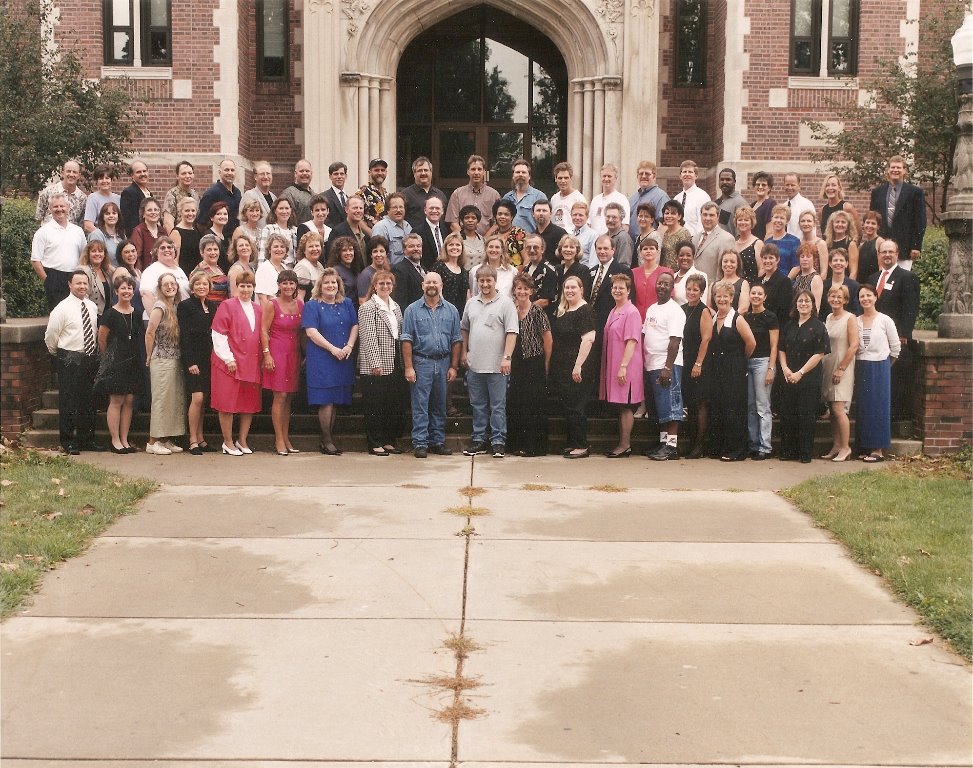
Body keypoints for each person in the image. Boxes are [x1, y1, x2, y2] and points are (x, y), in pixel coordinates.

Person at [401, 271, 462, 458]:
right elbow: (406, 340)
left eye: (435, 282)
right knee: (420, 404)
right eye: (428, 282)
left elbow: (456, 340)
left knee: (439, 405)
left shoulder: (451, 310)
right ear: (422, 285)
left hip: (443, 362)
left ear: (441, 285)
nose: (432, 285)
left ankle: (437, 441)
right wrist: (409, 367)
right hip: (421, 362)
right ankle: (420, 442)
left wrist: (453, 366)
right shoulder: (412, 310)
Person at [460, 265, 518, 457]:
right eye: (481, 281)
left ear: (495, 281)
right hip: (475, 364)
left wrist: (506, 357)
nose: (485, 284)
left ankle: (498, 441)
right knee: (478, 405)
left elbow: (512, 332)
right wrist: (464, 353)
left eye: (488, 280)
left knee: (497, 405)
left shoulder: (506, 303)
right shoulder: (471, 303)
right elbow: (465, 329)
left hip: (497, 366)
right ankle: (479, 440)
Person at [44, 270, 102, 454]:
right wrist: (60, 354)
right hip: (69, 357)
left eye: (85, 283)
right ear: (69, 284)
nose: (82, 287)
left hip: (89, 358)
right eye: (78, 283)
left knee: (88, 401)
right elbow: (51, 336)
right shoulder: (61, 309)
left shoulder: (92, 306)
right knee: (69, 402)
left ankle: (87, 440)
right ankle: (68, 441)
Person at [303, 268, 358, 454]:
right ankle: (326, 440)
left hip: (343, 357)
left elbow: (354, 325)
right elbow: (311, 332)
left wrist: (349, 346)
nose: (330, 285)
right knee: (325, 400)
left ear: (339, 285)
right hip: (322, 358)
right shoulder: (312, 305)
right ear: (320, 285)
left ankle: (327, 439)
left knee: (334, 399)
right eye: (326, 282)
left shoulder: (347, 303)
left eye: (333, 282)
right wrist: (332, 349)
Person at [210, 270, 263, 455]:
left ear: (254, 288)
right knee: (227, 403)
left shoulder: (258, 309)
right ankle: (227, 442)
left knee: (248, 404)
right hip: (230, 363)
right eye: (242, 286)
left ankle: (242, 440)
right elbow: (218, 334)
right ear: (236, 287)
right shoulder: (227, 305)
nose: (246, 289)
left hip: (250, 363)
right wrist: (228, 358)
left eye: (249, 286)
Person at [357, 270, 407, 455]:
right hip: (376, 365)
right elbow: (369, 337)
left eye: (388, 284)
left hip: (395, 360)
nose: (385, 287)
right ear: (374, 287)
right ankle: (374, 442)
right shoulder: (368, 308)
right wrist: (375, 363)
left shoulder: (396, 307)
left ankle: (387, 440)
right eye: (381, 284)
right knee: (375, 405)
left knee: (390, 404)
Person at [868, 239, 919, 420]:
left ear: (897, 254)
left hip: (896, 339)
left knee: (896, 381)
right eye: (884, 252)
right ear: (879, 255)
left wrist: (904, 334)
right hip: (875, 339)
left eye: (891, 252)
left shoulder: (907, 277)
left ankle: (895, 422)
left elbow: (911, 308)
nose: (887, 255)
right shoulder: (873, 279)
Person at [778, 289, 830, 463]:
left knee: (806, 415)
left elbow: (819, 353)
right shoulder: (789, 325)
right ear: (796, 304)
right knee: (788, 414)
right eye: (800, 301)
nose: (803, 304)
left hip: (808, 378)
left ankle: (804, 453)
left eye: (807, 301)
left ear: (813, 305)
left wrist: (800, 373)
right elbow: (781, 348)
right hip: (788, 376)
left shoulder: (818, 326)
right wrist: (785, 368)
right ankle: (788, 451)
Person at [94, 273, 144, 453]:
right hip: (116, 361)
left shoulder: (137, 314)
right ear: (116, 291)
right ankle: (115, 440)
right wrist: (109, 359)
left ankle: (125, 439)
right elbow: (102, 339)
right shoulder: (110, 314)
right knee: (116, 399)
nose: (127, 291)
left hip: (133, 360)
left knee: (129, 400)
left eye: (130, 288)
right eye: (123, 288)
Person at [708, 279, 757, 461]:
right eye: (718, 296)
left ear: (731, 298)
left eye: (725, 296)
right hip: (717, 368)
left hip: (735, 369)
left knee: (733, 408)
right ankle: (720, 447)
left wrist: (739, 360)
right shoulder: (713, 318)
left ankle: (736, 450)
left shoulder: (738, 319)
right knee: (719, 406)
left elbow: (751, 343)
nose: (721, 299)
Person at [550, 276, 597, 458]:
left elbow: (589, 339)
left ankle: (582, 445)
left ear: (581, 289)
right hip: (562, 367)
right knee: (569, 406)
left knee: (577, 406)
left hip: (577, 368)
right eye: (566, 287)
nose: (570, 291)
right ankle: (572, 442)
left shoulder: (585, 310)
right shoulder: (564, 310)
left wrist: (578, 366)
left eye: (573, 287)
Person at [854, 283, 902, 462]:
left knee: (879, 406)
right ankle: (865, 446)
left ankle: (878, 449)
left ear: (875, 297)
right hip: (861, 366)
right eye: (862, 296)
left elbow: (895, 347)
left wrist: (885, 365)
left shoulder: (884, 320)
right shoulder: (856, 320)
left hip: (880, 366)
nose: (865, 299)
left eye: (869, 295)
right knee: (864, 407)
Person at [599, 273, 644, 458]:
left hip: (626, 365)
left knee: (626, 405)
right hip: (614, 364)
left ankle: (625, 445)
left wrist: (623, 366)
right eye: (615, 287)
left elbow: (632, 341)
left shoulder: (632, 312)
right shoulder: (614, 310)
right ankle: (622, 443)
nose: (617, 290)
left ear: (628, 290)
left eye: (621, 288)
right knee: (620, 405)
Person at [642, 271, 685, 461]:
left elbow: (674, 341)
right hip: (651, 364)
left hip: (668, 364)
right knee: (660, 407)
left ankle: (672, 447)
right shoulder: (652, 309)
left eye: (666, 284)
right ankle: (663, 444)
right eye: (660, 283)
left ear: (672, 288)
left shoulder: (675, 310)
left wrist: (667, 368)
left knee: (671, 405)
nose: (662, 287)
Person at [507, 273, 552, 456]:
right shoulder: (511, 311)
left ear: (531, 291)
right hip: (517, 362)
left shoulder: (537, 311)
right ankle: (517, 445)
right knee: (517, 403)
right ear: (514, 291)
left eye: (526, 288)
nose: (522, 292)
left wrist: (546, 364)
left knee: (534, 404)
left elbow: (547, 339)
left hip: (534, 362)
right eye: (519, 288)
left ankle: (534, 447)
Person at [261, 269, 304, 455]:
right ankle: (278, 439)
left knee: (289, 398)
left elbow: (303, 332)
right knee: (280, 396)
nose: (288, 286)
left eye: (291, 283)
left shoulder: (301, 304)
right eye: (284, 283)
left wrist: (305, 354)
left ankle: (286, 438)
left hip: (294, 353)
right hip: (277, 352)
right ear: (279, 285)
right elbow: (263, 330)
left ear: (296, 285)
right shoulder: (272, 304)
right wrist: (267, 354)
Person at [144, 272, 186, 455]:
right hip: (161, 358)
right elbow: (150, 332)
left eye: (173, 283)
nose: (170, 287)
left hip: (175, 358)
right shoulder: (159, 306)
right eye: (166, 284)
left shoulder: (175, 306)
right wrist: (148, 355)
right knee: (161, 400)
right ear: (160, 288)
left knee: (172, 400)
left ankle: (165, 438)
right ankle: (152, 442)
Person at [177, 270, 218, 455]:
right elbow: (184, 335)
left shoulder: (212, 305)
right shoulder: (185, 306)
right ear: (192, 287)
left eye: (205, 284)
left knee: (204, 400)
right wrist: (190, 361)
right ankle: (192, 439)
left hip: (208, 356)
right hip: (193, 357)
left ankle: (201, 438)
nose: (202, 287)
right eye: (198, 284)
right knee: (197, 398)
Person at [821, 284, 859, 462]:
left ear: (845, 300)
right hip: (828, 365)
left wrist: (841, 368)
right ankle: (836, 445)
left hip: (841, 367)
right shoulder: (828, 317)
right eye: (832, 296)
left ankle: (846, 447)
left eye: (839, 297)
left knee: (839, 408)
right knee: (832, 409)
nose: (835, 300)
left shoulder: (850, 318)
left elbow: (854, 346)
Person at [869, 155, 926, 267]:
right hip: (881, 245)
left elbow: (920, 221)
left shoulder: (915, 193)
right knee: (882, 280)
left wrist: (916, 246)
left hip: (905, 247)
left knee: (902, 281)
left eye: (899, 168)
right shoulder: (877, 192)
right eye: (893, 167)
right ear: (888, 170)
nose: (895, 170)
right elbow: (873, 218)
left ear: (904, 170)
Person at [32, 193, 87, 309]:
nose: (59, 209)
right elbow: (36, 260)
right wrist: (48, 281)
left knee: (77, 313)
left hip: (75, 276)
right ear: (50, 209)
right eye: (55, 207)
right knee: (58, 315)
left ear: (68, 207)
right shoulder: (43, 232)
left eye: (62, 206)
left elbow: (84, 255)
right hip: (54, 277)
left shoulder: (78, 231)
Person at [743, 284, 779, 460]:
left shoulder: (770, 317)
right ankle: (753, 444)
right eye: (753, 293)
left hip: (763, 362)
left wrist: (771, 368)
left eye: (759, 294)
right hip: (748, 362)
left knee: (762, 405)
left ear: (765, 297)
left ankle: (765, 446)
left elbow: (774, 346)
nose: (756, 296)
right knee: (750, 406)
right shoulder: (746, 317)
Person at [680, 274, 713, 458]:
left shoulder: (704, 311)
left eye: (695, 290)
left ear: (701, 292)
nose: (691, 292)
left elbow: (706, 338)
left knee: (700, 404)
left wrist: (698, 363)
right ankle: (692, 443)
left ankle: (699, 446)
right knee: (691, 404)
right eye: (689, 289)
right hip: (685, 361)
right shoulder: (682, 309)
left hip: (699, 362)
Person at [446, 154, 500, 234]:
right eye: (473, 169)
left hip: (487, 243)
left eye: (479, 169)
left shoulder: (494, 195)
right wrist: (465, 240)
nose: (476, 172)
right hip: (463, 243)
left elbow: (497, 223)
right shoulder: (457, 194)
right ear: (468, 171)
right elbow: (453, 223)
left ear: (484, 172)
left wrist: (484, 240)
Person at [140, 237, 190, 316]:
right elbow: (146, 295)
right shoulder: (151, 270)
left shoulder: (179, 270)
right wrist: (156, 320)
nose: (167, 250)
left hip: (182, 316)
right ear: (156, 252)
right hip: (164, 318)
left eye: (170, 247)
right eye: (162, 248)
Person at [400, 156, 448, 230]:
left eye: (426, 170)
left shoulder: (440, 195)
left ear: (431, 172)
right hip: (414, 239)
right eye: (419, 170)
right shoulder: (405, 195)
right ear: (414, 173)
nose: (423, 173)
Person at [693, 202, 736, 283]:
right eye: (705, 215)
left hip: (712, 288)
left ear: (718, 217)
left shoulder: (726, 239)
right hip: (693, 289)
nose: (707, 218)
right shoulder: (694, 238)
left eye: (711, 215)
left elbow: (725, 271)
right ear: (701, 216)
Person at [36, 159, 87, 226]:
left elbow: (81, 224)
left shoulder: (82, 198)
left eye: (74, 172)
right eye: (68, 171)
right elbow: (39, 218)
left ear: (79, 176)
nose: (71, 175)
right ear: (62, 173)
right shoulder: (48, 192)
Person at [198, 158, 241, 233]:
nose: (230, 173)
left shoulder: (237, 193)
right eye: (226, 170)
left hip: (234, 239)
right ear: (219, 172)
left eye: (232, 170)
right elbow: (201, 223)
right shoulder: (211, 194)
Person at [521, 233, 558, 319]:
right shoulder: (525, 269)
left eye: (536, 247)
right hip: (527, 317)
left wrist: (524, 311)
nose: (532, 250)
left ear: (542, 249)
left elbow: (545, 301)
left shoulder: (549, 270)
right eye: (529, 247)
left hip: (542, 319)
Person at [628, 160, 669, 236]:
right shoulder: (632, 198)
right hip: (632, 245)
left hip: (649, 245)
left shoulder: (661, 197)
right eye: (641, 174)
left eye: (647, 174)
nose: (643, 176)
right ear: (637, 176)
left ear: (654, 177)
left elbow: (663, 226)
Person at [502, 158, 544, 232]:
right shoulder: (507, 198)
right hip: (509, 240)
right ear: (513, 176)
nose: (520, 174)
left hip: (531, 241)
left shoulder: (539, 197)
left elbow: (545, 223)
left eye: (523, 172)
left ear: (529, 176)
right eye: (517, 172)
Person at [754, 243, 793, 322]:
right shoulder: (758, 281)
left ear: (777, 259)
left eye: (771, 258)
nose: (767, 261)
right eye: (765, 258)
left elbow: (783, 312)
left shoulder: (784, 282)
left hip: (774, 326)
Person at [588, 163, 630, 235]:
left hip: (611, 243)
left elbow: (625, 226)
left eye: (609, 176)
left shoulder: (622, 199)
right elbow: (590, 224)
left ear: (615, 178)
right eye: (604, 176)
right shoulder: (595, 200)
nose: (606, 179)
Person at [76, 240, 114, 320]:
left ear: (104, 254)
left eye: (100, 251)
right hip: (90, 316)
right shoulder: (83, 270)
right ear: (88, 254)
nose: (97, 254)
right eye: (93, 251)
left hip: (106, 317)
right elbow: (82, 297)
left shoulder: (106, 272)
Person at [820, 248, 860, 320]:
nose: (838, 263)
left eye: (841, 260)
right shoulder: (823, 285)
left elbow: (856, 311)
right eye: (835, 260)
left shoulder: (855, 286)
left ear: (846, 264)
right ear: (830, 264)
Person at [631, 238, 666, 321]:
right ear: (640, 253)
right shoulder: (633, 272)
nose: (648, 251)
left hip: (657, 318)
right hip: (636, 317)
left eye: (652, 248)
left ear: (657, 252)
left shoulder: (666, 273)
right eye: (645, 249)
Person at [673, 160, 710, 237]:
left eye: (690, 172)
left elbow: (702, 223)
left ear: (696, 176)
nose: (687, 174)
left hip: (694, 241)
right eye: (684, 172)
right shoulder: (676, 199)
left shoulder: (702, 197)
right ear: (680, 176)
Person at [371, 192, 411, 264]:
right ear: (387, 210)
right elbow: (379, 257)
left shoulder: (408, 226)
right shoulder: (381, 228)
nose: (398, 210)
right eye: (394, 207)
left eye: (401, 207)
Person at [130, 198, 167, 271]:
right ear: (143, 214)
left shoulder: (163, 231)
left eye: (156, 210)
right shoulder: (139, 231)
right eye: (149, 210)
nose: (153, 212)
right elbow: (137, 257)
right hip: (146, 273)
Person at [326, 235, 366, 305]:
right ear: (338, 253)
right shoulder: (335, 271)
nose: (348, 253)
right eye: (344, 250)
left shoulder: (356, 270)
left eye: (350, 250)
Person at [161, 160, 200, 232]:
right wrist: (173, 240)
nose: (187, 176)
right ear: (177, 176)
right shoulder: (172, 194)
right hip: (178, 236)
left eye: (190, 173)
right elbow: (168, 223)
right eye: (183, 173)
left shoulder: (195, 195)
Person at [259, 197, 298, 266]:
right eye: (281, 208)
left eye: (287, 208)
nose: (284, 211)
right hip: (275, 268)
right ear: (275, 211)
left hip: (293, 270)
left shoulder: (295, 231)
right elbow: (262, 254)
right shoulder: (268, 229)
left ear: (291, 210)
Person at [788, 242, 825, 316]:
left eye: (808, 256)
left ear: (814, 259)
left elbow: (816, 307)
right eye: (802, 256)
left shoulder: (816, 278)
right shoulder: (798, 276)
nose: (805, 259)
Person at [83, 165, 121, 235]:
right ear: (97, 181)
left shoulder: (118, 198)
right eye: (101, 178)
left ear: (111, 180)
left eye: (107, 178)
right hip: (99, 239)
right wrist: (105, 237)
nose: (104, 181)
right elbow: (88, 225)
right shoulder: (93, 198)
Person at [555, 235, 592, 305]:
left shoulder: (583, 270)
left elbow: (585, 295)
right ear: (560, 249)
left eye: (572, 247)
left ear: (577, 251)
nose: (568, 250)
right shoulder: (557, 269)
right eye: (565, 246)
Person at [415, 196, 450, 270]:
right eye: (431, 208)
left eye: (437, 208)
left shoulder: (447, 229)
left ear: (442, 211)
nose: (434, 211)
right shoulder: (417, 232)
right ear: (425, 210)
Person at [765, 203, 801, 275]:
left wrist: (785, 281)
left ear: (787, 221)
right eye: (776, 217)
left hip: (787, 283)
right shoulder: (767, 242)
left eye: (782, 218)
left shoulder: (794, 241)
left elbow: (797, 266)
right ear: (772, 219)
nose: (778, 220)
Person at [392, 233, 427, 308]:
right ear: (404, 250)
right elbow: (400, 300)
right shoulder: (399, 270)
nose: (416, 249)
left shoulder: (424, 268)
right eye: (411, 246)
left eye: (418, 246)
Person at [193, 234, 230, 304]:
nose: (213, 253)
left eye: (215, 249)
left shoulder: (219, 269)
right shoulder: (200, 270)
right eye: (209, 250)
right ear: (202, 252)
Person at [710, 249, 750, 313]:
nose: (728, 264)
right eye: (725, 261)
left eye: (732, 262)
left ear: (737, 264)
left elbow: (744, 308)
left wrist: (729, 319)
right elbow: (708, 307)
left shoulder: (743, 283)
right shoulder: (713, 285)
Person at [491, 199, 526, 269]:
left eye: (506, 214)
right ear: (496, 216)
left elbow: (527, 258)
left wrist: (520, 276)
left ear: (512, 217)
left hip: (516, 275)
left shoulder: (519, 233)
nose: (502, 217)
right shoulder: (493, 235)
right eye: (500, 214)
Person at [672, 240, 710, 306]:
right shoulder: (672, 276)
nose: (685, 258)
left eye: (688, 255)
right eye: (681, 255)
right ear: (676, 257)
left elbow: (702, 304)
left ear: (693, 257)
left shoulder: (701, 276)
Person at [239, 160, 275, 229]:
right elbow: (243, 222)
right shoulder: (249, 195)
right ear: (255, 177)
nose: (266, 177)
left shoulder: (274, 198)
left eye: (268, 173)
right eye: (262, 174)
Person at [87, 201, 125, 267]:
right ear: (102, 217)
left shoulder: (122, 236)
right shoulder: (97, 235)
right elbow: (96, 259)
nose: (111, 216)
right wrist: (115, 272)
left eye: (114, 213)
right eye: (107, 213)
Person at [550, 161, 586, 230]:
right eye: (560, 178)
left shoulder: (578, 198)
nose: (563, 181)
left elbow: (585, 224)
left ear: (571, 178)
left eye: (566, 178)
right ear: (555, 179)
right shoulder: (554, 198)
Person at [824, 209, 860, 279]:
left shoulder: (851, 244)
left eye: (843, 222)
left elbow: (853, 271)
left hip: (844, 284)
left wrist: (849, 287)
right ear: (832, 224)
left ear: (848, 225)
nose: (840, 224)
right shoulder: (827, 243)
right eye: (837, 222)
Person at [255, 232, 290, 303]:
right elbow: (262, 298)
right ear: (269, 250)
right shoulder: (264, 268)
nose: (279, 249)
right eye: (276, 246)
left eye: (282, 246)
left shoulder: (285, 268)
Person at [170, 197, 202, 275]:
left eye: (193, 211)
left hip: (196, 276)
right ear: (181, 212)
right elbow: (174, 260)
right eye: (187, 211)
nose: (190, 214)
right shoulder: (176, 232)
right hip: (183, 275)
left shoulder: (196, 231)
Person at [119, 160, 152, 235]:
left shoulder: (149, 193)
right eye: (138, 172)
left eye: (144, 171)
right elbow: (129, 221)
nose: (142, 174)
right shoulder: (129, 193)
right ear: (132, 175)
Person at [357, 236, 393, 304]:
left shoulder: (388, 272)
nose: (378, 254)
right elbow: (362, 301)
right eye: (375, 251)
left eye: (381, 251)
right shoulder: (365, 275)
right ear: (371, 255)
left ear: (386, 254)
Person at [659, 199, 692, 270]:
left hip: (678, 274)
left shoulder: (684, 234)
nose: (669, 216)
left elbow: (686, 258)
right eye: (667, 213)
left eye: (673, 213)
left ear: (679, 216)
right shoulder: (666, 233)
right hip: (665, 274)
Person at [280, 159, 315, 226]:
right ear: (295, 174)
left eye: (307, 171)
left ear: (311, 173)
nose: (305, 173)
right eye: (301, 171)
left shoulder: (314, 195)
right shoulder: (288, 194)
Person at [358, 158, 389, 234]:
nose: (380, 173)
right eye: (376, 170)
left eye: (382, 170)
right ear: (369, 172)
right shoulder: (362, 192)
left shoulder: (386, 194)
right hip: (369, 238)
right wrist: (372, 234)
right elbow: (357, 218)